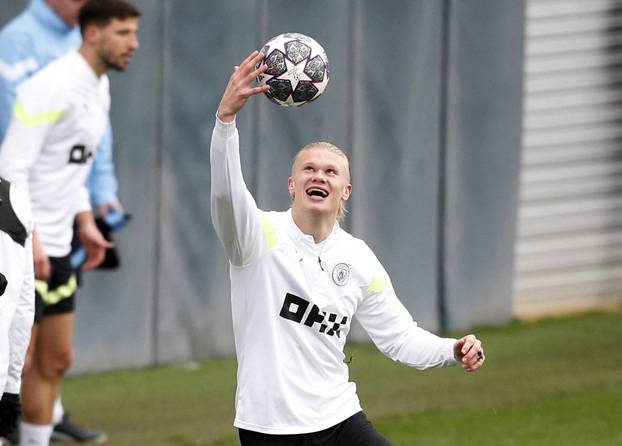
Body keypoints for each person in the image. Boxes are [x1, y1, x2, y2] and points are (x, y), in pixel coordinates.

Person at [210, 51, 486, 445]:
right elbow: (225, 193)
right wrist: (225, 122)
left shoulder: (357, 258)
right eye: (308, 169)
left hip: (339, 419)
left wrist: (452, 350)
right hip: (268, 428)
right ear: (292, 185)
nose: (318, 175)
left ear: (345, 190)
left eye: (330, 171)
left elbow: (399, 337)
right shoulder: (256, 235)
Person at [0, 1, 140, 445]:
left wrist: (85, 221)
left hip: (60, 243)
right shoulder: (50, 87)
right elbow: (11, 168)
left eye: (134, 33)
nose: (133, 44)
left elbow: (70, 164)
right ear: (93, 34)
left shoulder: (98, 87)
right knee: (12, 367)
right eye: (122, 33)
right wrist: (33, 243)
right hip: (23, 245)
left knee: (56, 360)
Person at [0, 177, 34, 444]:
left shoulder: (15, 201)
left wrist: (11, 387)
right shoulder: (14, 199)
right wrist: (12, 387)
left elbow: (23, 304)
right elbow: (23, 306)